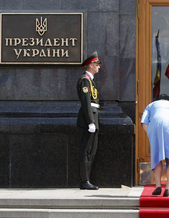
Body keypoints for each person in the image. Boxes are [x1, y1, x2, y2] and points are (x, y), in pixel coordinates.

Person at [76, 51, 101, 190]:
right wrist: (90, 121)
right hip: (88, 119)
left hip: (93, 116)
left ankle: (87, 180)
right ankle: (84, 181)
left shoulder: (90, 80)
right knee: (85, 150)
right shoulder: (85, 80)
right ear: (90, 65)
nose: (98, 67)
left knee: (92, 149)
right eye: (97, 64)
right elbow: (86, 102)